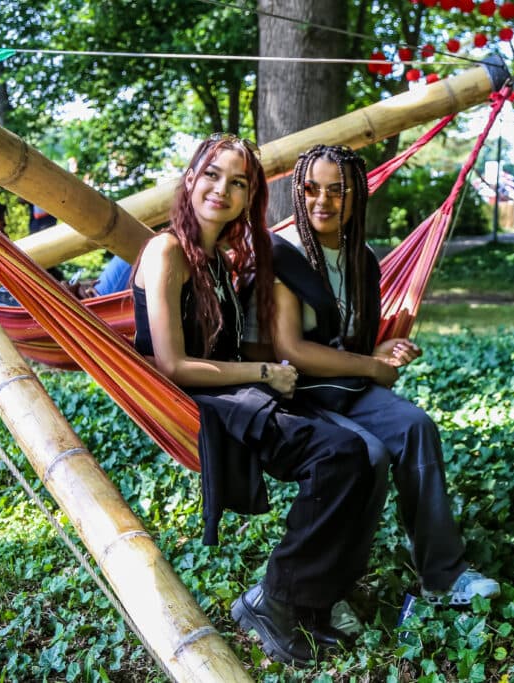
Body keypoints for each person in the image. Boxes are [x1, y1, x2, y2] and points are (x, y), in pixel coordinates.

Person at [132, 134, 375, 665]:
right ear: (191, 178)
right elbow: (171, 365)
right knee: (339, 454)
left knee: (352, 453)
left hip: (234, 395)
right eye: (212, 174)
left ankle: (306, 603)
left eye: (238, 182)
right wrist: (267, 370)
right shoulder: (167, 249)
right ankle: (275, 600)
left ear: (250, 198)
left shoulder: (216, 257)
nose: (222, 188)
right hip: (199, 402)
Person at [269, 144, 500, 626]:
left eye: (338, 190)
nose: (323, 201)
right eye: (312, 189)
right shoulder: (283, 257)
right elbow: (291, 349)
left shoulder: (363, 260)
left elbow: (356, 340)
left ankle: (443, 575)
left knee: (416, 425)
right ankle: (332, 590)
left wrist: (380, 354)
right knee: (367, 455)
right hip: (301, 395)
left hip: (349, 387)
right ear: (298, 191)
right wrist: (373, 368)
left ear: (357, 196)